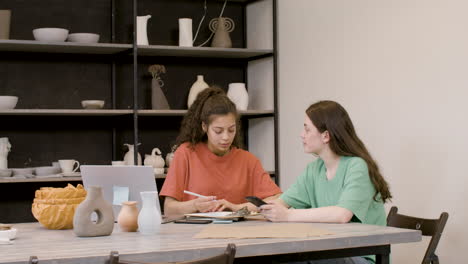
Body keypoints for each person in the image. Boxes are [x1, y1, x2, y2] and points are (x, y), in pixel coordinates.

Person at [260, 100, 392, 264]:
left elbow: (342, 214)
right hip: (329, 253)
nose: (302, 134)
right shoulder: (314, 169)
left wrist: (288, 215)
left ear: (326, 135)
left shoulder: (357, 166)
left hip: (362, 256)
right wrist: (244, 209)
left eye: (307, 129)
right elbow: (281, 202)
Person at [160, 86, 281, 215]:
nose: (226, 137)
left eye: (231, 130)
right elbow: (169, 209)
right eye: (218, 131)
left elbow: (277, 199)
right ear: (204, 126)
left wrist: (235, 207)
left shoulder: (248, 160)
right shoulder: (186, 153)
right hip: (193, 232)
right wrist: (194, 205)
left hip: (238, 232)